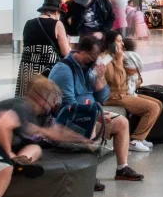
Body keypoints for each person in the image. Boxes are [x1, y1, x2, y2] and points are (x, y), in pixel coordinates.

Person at [48, 35, 143, 185]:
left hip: (91, 110)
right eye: (92, 56)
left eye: (96, 57)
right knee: (90, 124)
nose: (94, 60)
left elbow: (102, 98)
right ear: (81, 51)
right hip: (68, 118)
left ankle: (122, 167)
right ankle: (89, 174)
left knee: (122, 123)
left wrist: (99, 78)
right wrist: (94, 113)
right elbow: (68, 106)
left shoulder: (89, 68)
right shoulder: (64, 70)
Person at [102, 31, 161, 151]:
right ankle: (136, 140)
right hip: (113, 97)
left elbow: (126, 78)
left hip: (124, 93)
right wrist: (119, 62)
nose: (122, 44)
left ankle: (141, 136)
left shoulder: (116, 56)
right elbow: (117, 82)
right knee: (152, 108)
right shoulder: (105, 59)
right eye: (119, 41)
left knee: (159, 103)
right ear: (111, 44)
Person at [16, 0, 70, 95]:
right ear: (56, 12)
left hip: (28, 69)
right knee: (44, 99)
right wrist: (67, 42)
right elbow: (65, 52)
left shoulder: (28, 23)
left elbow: (26, 45)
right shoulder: (57, 24)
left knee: (27, 98)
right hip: (47, 71)